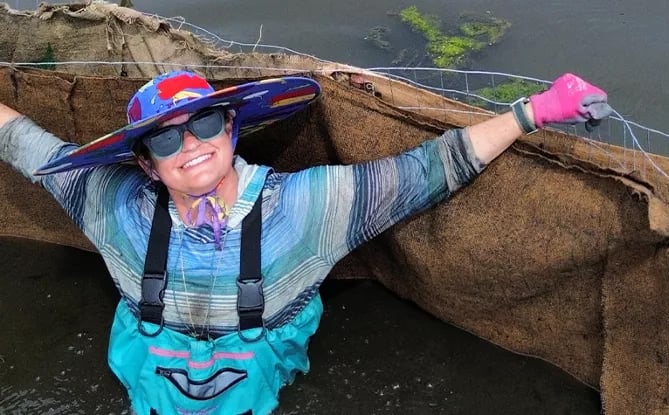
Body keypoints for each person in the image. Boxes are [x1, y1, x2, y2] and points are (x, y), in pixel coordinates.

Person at [0, 67, 612, 415]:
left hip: (258, 373)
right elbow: (23, 142)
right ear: (145, 164)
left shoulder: (306, 207)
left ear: (231, 127)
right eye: (165, 139)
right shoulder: (110, 204)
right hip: (150, 376)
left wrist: (534, 112)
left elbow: (427, 171)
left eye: (204, 122)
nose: (190, 146)